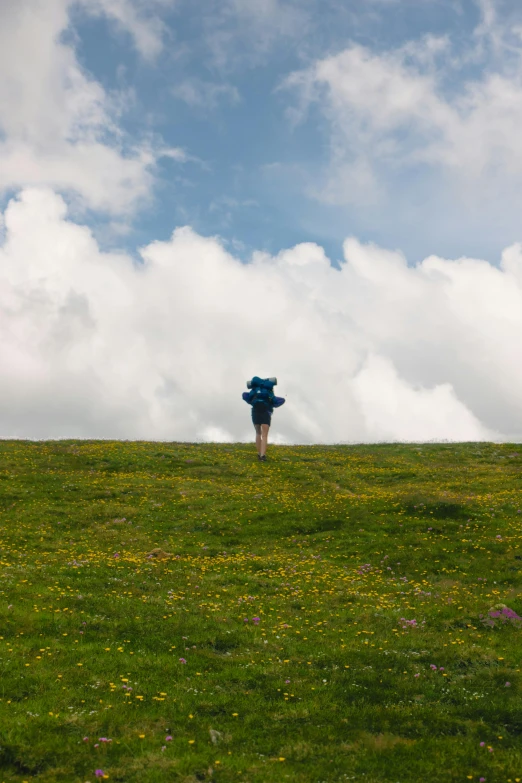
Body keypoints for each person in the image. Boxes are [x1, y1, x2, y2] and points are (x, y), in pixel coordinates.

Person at [242, 377, 285, 461]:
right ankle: (262, 456)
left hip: (255, 410)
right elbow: (278, 401)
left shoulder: (254, 391)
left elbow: (245, 396)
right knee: (264, 435)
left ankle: (259, 454)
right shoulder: (268, 392)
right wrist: (272, 405)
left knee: (258, 433)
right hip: (265, 411)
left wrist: (252, 402)